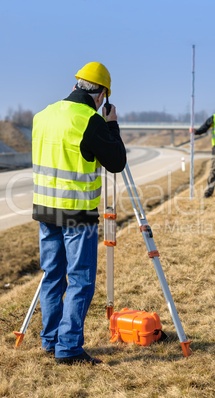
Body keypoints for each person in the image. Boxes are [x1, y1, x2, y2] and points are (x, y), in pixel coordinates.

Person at [32, 62, 126, 365]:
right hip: (76, 214)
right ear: (101, 95)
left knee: (53, 277)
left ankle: (50, 341)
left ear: (77, 85)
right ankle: (69, 347)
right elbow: (116, 162)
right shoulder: (89, 120)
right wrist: (111, 125)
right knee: (81, 280)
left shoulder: (42, 115)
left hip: (45, 211)